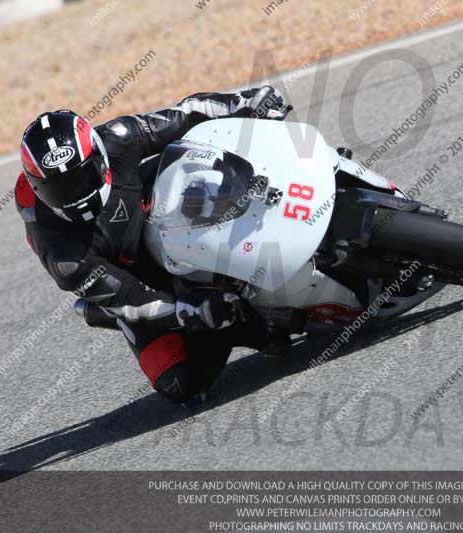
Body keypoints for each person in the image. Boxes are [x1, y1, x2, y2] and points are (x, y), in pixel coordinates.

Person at [15, 86, 292, 406]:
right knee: (178, 380)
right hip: (139, 276)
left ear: (97, 155)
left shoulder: (118, 138)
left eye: (81, 177)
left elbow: (187, 114)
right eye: (60, 189)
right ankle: (248, 325)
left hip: (167, 208)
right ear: (38, 188)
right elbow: (132, 300)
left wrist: (245, 102)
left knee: (202, 148)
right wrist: (189, 312)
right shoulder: (61, 252)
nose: (76, 193)